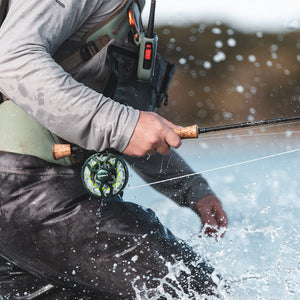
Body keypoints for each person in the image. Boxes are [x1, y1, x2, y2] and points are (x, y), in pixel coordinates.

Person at [0, 0, 228, 298]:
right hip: (27, 190)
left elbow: (124, 121)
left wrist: (191, 188)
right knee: (196, 291)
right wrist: (125, 125)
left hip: (28, 197)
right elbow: (14, 59)